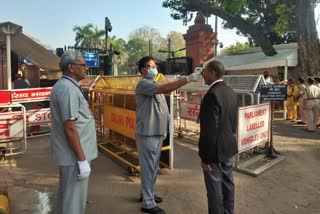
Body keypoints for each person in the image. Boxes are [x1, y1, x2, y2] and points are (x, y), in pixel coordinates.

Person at [135, 56, 200, 214]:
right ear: (143, 70)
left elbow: (166, 92)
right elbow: (165, 89)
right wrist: (188, 79)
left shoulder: (153, 84)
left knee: (153, 167)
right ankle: (148, 204)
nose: (154, 68)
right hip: (148, 133)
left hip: (157, 132)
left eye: (154, 65)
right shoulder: (144, 84)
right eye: (150, 66)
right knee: (149, 168)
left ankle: (147, 194)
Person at [50, 51, 98, 214]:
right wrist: (82, 160)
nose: (87, 68)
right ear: (71, 67)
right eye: (83, 65)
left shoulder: (67, 86)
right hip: (74, 156)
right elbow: (69, 127)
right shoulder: (68, 89)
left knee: (68, 196)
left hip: (73, 155)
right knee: (74, 201)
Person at [198, 60, 239, 214]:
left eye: (205, 72)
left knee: (214, 187)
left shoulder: (211, 95)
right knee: (228, 182)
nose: (203, 75)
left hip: (214, 151)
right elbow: (233, 123)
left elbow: (208, 130)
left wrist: (205, 157)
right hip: (228, 146)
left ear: (213, 73)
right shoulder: (231, 92)